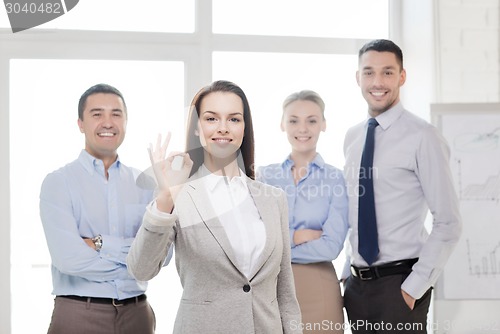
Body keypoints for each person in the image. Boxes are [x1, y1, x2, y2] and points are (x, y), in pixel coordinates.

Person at [127, 80, 302, 333]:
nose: (223, 128)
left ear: (244, 128)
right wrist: (166, 198)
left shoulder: (273, 199)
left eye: (233, 119)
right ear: (197, 128)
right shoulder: (179, 195)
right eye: (211, 119)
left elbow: (285, 294)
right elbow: (141, 269)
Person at [342, 39, 462, 333]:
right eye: (369, 72)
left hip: (400, 286)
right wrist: (348, 273)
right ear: (358, 77)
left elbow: (448, 222)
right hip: (357, 289)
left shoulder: (424, 136)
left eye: (387, 72)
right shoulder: (353, 137)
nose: (377, 82)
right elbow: (356, 210)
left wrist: (414, 287)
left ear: (402, 76)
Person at [40, 83, 166, 334]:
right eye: (97, 114)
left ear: (126, 122)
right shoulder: (59, 182)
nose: (108, 122)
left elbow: (160, 257)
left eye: (116, 114)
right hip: (79, 315)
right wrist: (135, 258)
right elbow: (69, 259)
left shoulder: (146, 184)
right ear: (80, 124)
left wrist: (99, 244)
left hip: (138, 315)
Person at [258, 90, 348, 333]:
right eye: (294, 120)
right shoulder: (265, 177)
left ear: (323, 124)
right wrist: (298, 236)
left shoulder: (335, 178)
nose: (303, 128)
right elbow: (256, 239)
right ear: (282, 124)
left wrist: (280, 241)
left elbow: (332, 246)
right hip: (271, 289)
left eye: (312, 120)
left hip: (319, 287)